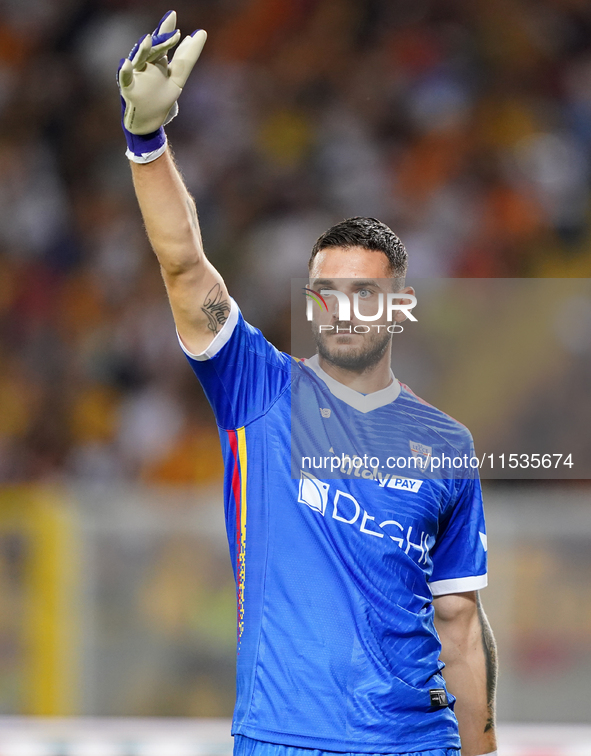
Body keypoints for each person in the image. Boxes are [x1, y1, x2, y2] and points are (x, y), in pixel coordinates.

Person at [118, 11, 498, 756]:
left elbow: (457, 621)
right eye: (326, 291)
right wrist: (146, 143)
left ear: (398, 308)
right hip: (284, 740)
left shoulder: (446, 445)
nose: (342, 309)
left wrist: (481, 749)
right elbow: (185, 265)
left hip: (415, 743)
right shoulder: (258, 388)